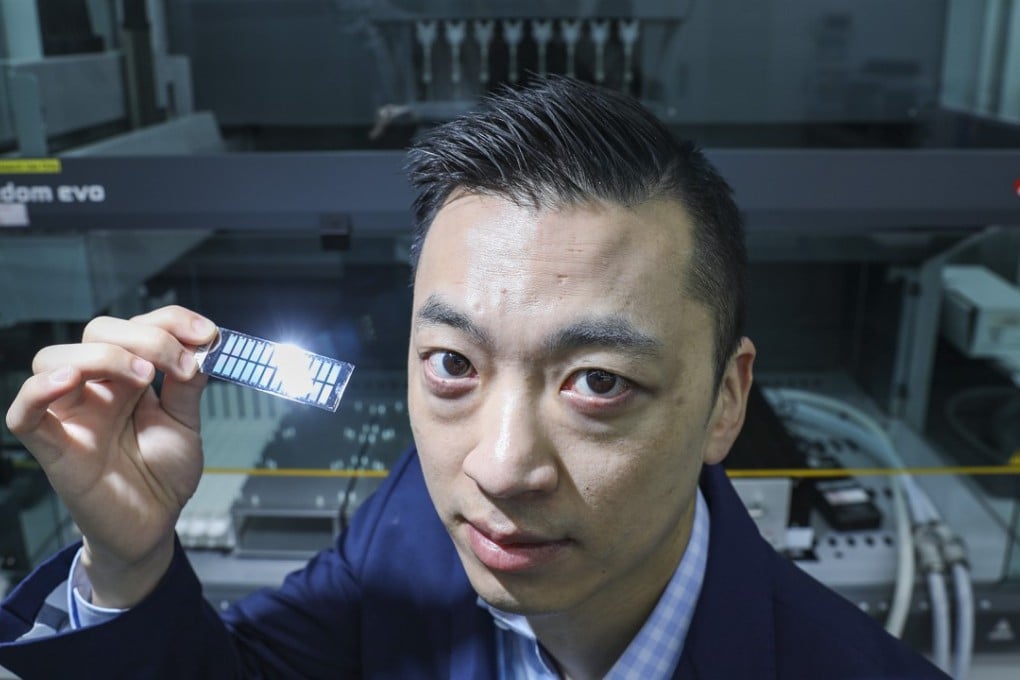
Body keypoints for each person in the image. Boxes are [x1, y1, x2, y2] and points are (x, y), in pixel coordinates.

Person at [0, 77, 947, 679]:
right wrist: (129, 561)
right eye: (452, 364)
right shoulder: (413, 525)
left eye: (599, 383)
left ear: (725, 401)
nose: (497, 468)